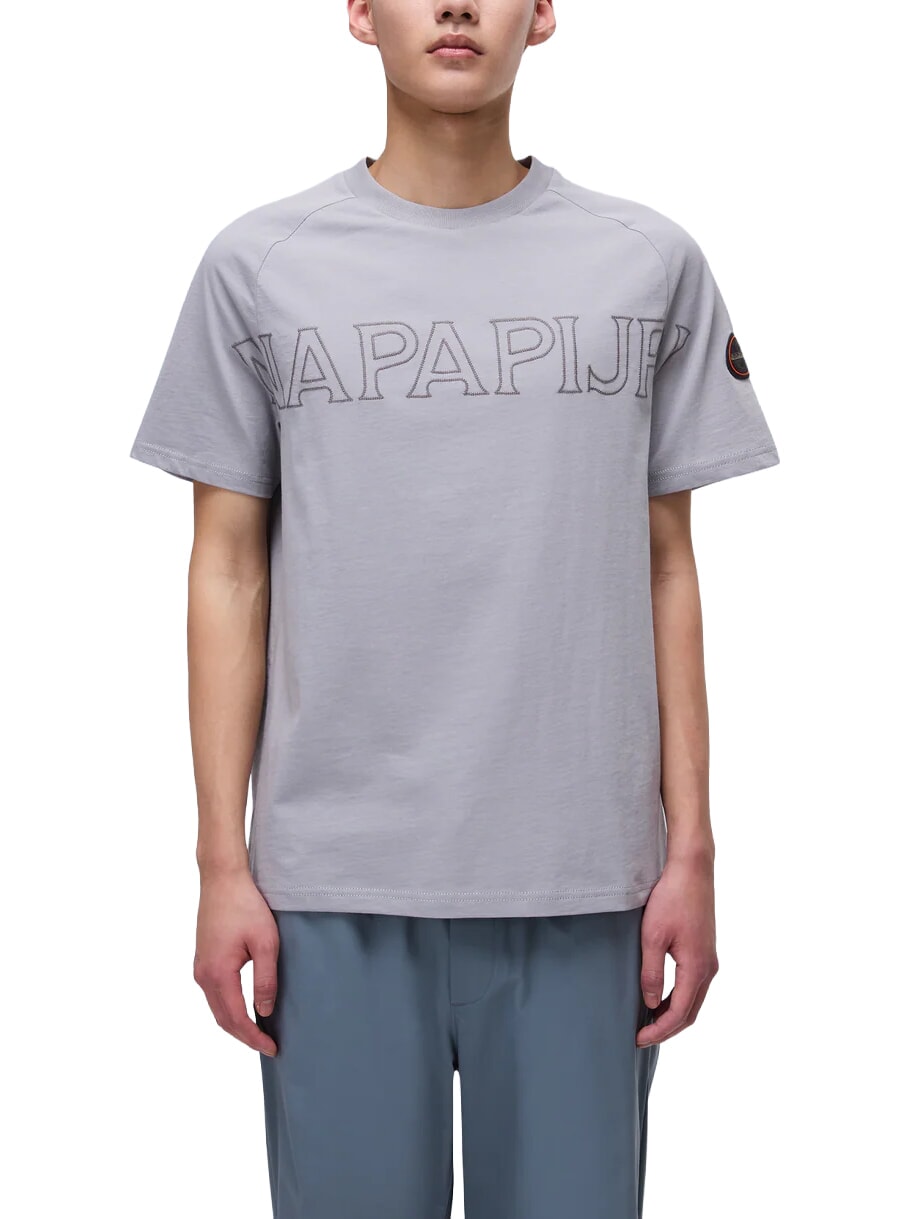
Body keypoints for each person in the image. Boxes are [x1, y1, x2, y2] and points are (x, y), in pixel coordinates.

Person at [128, 2, 780, 1216]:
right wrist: (222, 863)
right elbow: (226, 567)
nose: (454, 6)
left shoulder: (645, 260)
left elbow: (666, 564)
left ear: (542, 14)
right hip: (333, 883)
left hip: (587, 879)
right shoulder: (259, 265)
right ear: (358, 12)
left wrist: (690, 850)